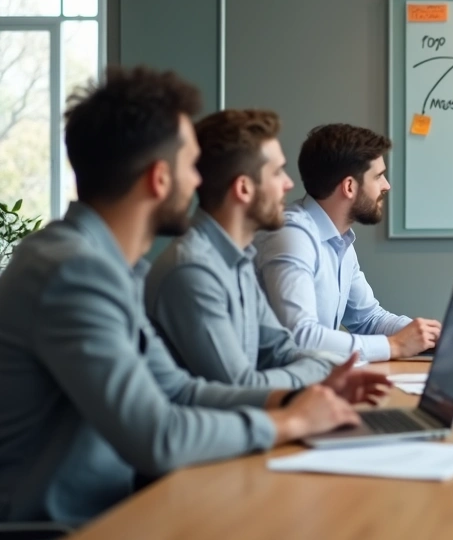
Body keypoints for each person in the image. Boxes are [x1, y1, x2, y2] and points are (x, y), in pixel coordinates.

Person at [0, 66, 383, 524]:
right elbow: (158, 436)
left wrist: (297, 397)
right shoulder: (73, 273)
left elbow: (178, 390)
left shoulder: (106, 266)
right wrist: (293, 421)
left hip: (118, 511)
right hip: (69, 526)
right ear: (159, 179)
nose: (200, 181)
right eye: (190, 166)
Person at [254, 123, 453, 362]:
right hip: (280, 392)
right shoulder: (292, 235)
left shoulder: (339, 239)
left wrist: (444, 335)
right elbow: (300, 337)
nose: (387, 185)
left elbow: (368, 319)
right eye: (378, 176)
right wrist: (394, 346)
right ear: (349, 186)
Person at [145, 109, 334, 386]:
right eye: (278, 172)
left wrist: (325, 366)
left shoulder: (240, 259)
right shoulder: (193, 270)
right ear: (244, 188)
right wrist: (323, 369)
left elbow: (280, 351)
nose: (289, 184)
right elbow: (241, 387)